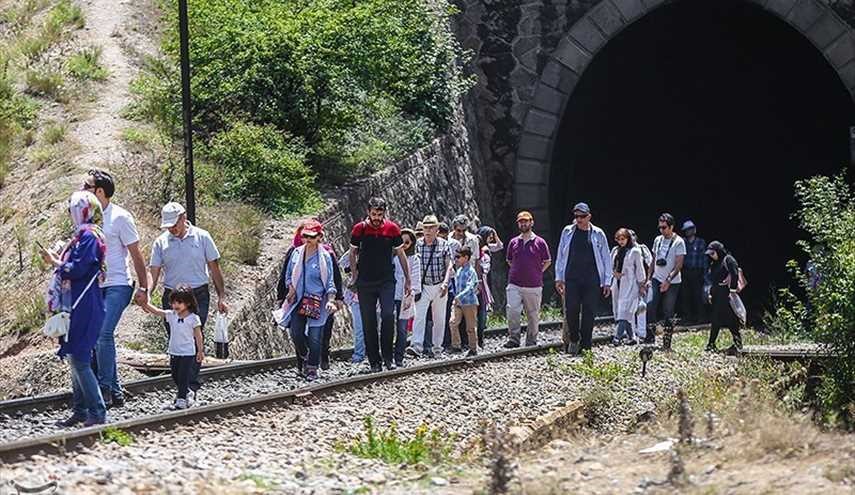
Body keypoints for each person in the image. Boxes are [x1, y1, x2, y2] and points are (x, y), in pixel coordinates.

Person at [83, 169, 148, 408]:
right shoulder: (87, 217)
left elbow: (136, 254)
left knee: (103, 333)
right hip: (94, 286)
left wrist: (144, 287)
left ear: (100, 191)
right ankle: (116, 391)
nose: (82, 190)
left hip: (118, 284)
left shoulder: (120, 217)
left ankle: (104, 390)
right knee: (94, 337)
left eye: (87, 186)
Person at [41, 191, 107, 427]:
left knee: (79, 358)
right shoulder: (86, 234)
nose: (71, 213)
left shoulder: (87, 236)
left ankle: (97, 411)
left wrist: (55, 262)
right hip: (80, 302)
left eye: (73, 209)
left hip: (84, 303)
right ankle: (80, 410)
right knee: (75, 357)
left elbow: (77, 269)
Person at [149, 202, 228, 393]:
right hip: (173, 296)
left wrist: (221, 296)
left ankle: (189, 385)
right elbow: (154, 271)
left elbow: (214, 268)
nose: (172, 229)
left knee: (193, 337)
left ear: (183, 218)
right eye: (168, 226)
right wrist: (148, 293)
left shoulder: (202, 237)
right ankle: (183, 382)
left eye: (174, 224)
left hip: (197, 294)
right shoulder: (161, 242)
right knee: (176, 338)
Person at [348, 197, 411, 372]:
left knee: (388, 315)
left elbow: (401, 254)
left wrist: (408, 279)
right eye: (374, 213)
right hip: (365, 281)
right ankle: (374, 361)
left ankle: (388, 358)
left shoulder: (392, 229)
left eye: (379, 214)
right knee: (369, 321)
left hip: (386, 280)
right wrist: (354, 276)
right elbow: (352, 253)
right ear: (368, 212)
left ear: (384, 213)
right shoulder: (359, 229)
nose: (376, 217)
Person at [279, 221, 338, 381]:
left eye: (311, 236)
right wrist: (290, 289)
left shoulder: (325, 256)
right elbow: (288, 275)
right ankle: (305, 356)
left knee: (315, 337)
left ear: (319, 237)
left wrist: (331, 300)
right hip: (298, 300)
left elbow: (330, 281)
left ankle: (312, 367)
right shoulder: (296, 253)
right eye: (305, 236)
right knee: (296, 333)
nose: (307, 239)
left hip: (317, 301)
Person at [555, 203, 612, 355]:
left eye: (582, 216)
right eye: (577, 216)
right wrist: (559, 277)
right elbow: (561, 255)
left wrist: (607, 282)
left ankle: (586, 344)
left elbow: (606, 258)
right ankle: (574, 338)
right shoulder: (567, 231)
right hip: (572, 278)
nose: (579, 219)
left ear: (589, 217)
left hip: (592, 279)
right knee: (571, 309)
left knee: (589, 312)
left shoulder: (598, 233)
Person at [139, 286, 204, 409]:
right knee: (175, 375)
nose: (176, 305)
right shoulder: (171, 315)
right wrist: (145, 304)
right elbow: (157, 311)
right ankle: (187, 392)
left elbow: (198, 335)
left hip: (188, 353)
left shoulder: (193, 318)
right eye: (173, 302)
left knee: (183, 375)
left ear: (188, 303)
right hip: (174, 351)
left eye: (179, 302)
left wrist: (200, 351)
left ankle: (181, 399)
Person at [407, 215, 454, 358]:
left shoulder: (443, 244)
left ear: (436, 229)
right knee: (419, 316)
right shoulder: (418, 245)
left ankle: (437, 348)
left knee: (439, 318)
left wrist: (445, 283)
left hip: (439, 284)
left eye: (431, 227)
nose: (427, 230)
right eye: (425, 228)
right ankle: (416, 346)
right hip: (423, 285)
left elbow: (449, 265)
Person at [504, 211, 551, 348]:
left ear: (531, 222)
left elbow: (547, 261)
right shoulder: (513, 242)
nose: (523, 224)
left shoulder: (540, 242)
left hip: (534, 285)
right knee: (512, 311)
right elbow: (509, 260)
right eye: (520, 222)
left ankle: (531, 341)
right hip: (514, 283)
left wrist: (537, 271)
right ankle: (514, 339)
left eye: (526, 221)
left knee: (533, 315)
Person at [645, 213, 686, 350]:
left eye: (664, 227)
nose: (661, 230)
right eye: (660, 227)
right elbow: (653, 260)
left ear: (671, 227)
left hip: (672, 281)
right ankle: (650, 337)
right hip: (656, 278)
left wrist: (668, 280)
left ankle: (666, 342)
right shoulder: (658, 240)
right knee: (650, 304)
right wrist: (648, 278)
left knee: (668, 310)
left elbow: (679, 265)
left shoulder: (679, 242)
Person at [705, 241, 743, 353]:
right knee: (717, 319)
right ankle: (711, 344)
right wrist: (710, 293)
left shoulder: (728, 259)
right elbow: (713, 280)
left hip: (726, 295)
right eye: (710, 254)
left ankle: (737, 343)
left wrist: (732, 291)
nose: (711, 256)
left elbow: (734, 274)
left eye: (713, 253)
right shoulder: (714, 264)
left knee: (730, 319)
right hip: (717, 295)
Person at [610, 228, 646, 346]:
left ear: (627, 239)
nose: (621, 241)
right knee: (623, 312)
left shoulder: (635, 251)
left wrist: (642, 285)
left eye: (623, 239)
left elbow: (639, 269)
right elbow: (610, 265)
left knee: (624, 312)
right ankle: (632, 337)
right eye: (619, 239)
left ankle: (617, 337)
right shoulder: (615, 251)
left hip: (631, 284)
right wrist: (614, 273)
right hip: (617, 283)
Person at [393, 229, 421, 367]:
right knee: (386, 326)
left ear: (412, 244)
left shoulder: (414, 259)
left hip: (405, 297)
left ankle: (399, 356)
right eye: (401, 241)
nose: (403, 245)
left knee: (402, 328)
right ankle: (386, 355)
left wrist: (411, 292)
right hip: (390, 294)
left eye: (407, 242)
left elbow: (416, 280)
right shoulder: (391, 257)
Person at [448, 247, 480, 356]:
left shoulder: (471, 271)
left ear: (466, 258)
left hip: (469, 302)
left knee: (470, 327)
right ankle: (456, 346)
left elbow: (470, 287)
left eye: (458, 257)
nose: (456, 259)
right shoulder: (459, 270)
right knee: (453, 322)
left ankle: (473, 348)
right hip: (458, 302)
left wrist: (459, 296)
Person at [338, 253, 365, 363]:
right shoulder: (352, 254)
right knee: (359, 329)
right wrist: (353, 251)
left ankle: (373, 352)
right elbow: (342, 263)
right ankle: (359, 354)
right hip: (356, 298)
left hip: (374, 297)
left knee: (374, 327)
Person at [680, 220, 708, 325]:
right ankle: (687, 318)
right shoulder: (683, 242)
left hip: (697, 271)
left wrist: (705, 274)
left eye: (690, 229)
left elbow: (704, 259)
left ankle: (701, 317)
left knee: (698, 295)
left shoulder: (700, 242)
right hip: (686, 271)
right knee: (685, 296)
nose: (688, 231)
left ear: (694, 230)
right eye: (686, 230)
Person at [629, 229, 652, 341]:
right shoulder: (624, 250)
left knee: (642, 308)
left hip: (642, 282)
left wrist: (647, 281)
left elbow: (650, 265)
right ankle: (632, 334)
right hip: (629, 284)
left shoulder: (642, 249)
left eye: (632, 235)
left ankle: (642, 333)